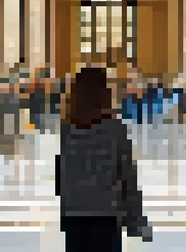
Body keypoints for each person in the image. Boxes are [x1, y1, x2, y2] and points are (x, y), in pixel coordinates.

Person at [56, 66, 151, 251]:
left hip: (74, 213)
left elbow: (64, 172)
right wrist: (135, 219)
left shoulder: (67, 129)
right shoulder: (115, 129)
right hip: (105, 213)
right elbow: (127, 177)